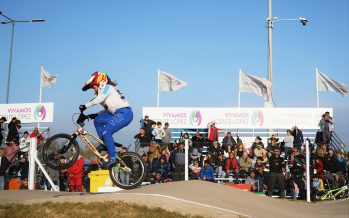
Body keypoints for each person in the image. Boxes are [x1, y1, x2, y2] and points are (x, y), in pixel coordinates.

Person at [79, 71, 133, 167]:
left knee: (106, 130)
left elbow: (97, 99)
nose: (93, 90)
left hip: (125, 113)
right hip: (117, 113)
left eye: (94, 87)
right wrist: (94, 115)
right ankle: (104, 143)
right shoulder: (105, 93)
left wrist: (85, 106)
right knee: (98, 120)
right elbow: (108, 110)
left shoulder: (108, 87)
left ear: (100, 82)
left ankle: (113, 158)